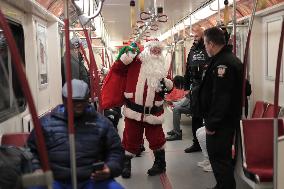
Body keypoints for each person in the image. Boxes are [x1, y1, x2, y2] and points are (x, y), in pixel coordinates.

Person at [27, 79, 124, 189]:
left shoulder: (102, 123)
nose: (78, 105)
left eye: (82, 101)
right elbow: (31, 151)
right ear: (64, 100)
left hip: (91, 180)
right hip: (55, 180)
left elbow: (116, 151)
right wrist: (36, 168)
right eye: (74, 102)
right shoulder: (46, 124)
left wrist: (109, 169)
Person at [102, 41, 173, 178]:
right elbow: (117, 69)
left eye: (159, 51)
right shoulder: (134, 61)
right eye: (154, 50)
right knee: (130, 138)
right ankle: (126, 165)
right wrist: (125, 56)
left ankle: (160, 164)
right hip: (133, 110)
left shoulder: (161, 66)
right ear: (147, 50)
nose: (156, 53)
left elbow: (170, 84)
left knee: (157, 138)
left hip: (154, 112)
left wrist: (168, 85)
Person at [199, 27, 243, 189]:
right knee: (220, 160)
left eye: (205, 44)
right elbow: (246, 88)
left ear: (211, 43)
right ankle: (222, 185)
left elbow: (221, 97)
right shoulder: (226, 59)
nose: (205, 47)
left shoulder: (223, 64)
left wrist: (212, 124)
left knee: (219, 159)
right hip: (224, 120)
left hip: (221, 123)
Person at [175, 27, 209, 147]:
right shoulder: (192, 51)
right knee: (196, 115)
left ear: (204, 37)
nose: (195, 39)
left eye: (197, 37)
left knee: (207, 116)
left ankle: (206, 143)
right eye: (194, 36)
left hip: (206, 87)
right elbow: (187, 70)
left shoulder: (208, 50)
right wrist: (185, 87)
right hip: (195, 87)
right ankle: (196, 142)